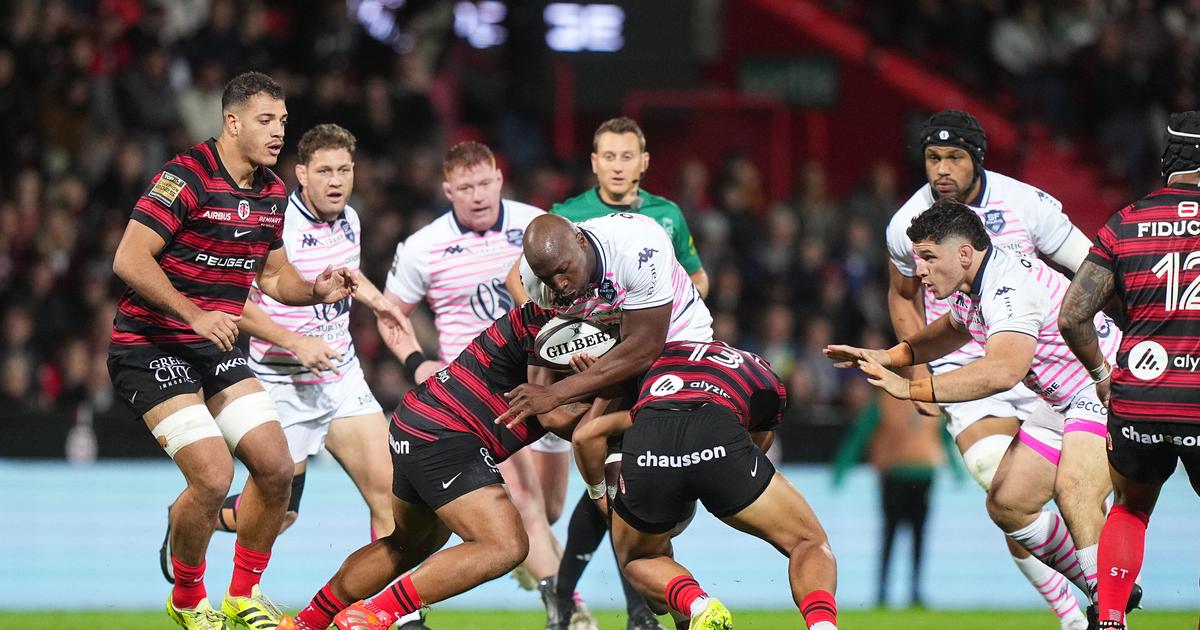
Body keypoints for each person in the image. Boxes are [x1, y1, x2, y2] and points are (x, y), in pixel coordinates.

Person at [107, 72, 355, 630]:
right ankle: (189, 599)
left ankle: (243, 594)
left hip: (211, 348)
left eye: (283, 121)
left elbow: (274, 276)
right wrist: (195, 314)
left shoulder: (270, 193)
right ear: (233, 122)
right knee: (215, 477)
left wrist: (314, 289)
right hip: (150, 347)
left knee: (275, 468)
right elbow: (129, 258)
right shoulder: (184, 177)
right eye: (266, 121)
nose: (277, 132)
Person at [834, 198, 1127, 617]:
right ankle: (1107, 586)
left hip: (1105, 386)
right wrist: (890, 356)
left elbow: (1003, 371)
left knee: (1074, 491)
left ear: (964, 253)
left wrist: (911, 389)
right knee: (1007, 503)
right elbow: (951, 330)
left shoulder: (1007, 289)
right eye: (918, 258)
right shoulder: (974, 283)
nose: (919, 271)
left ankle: (1108, 613)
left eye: (929, 258)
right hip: (1062, 399)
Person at [884, 110, 1095, 629]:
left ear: (977, 158)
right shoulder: (905, 225)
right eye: (933, 158)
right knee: (997, 481)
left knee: (1073, 492)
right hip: (966, 358)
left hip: (1045, 360)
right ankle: (1074, 610)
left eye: (954, 157)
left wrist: (1106, 342)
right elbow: (902, 296)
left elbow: (1089, 264)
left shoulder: (1025, 203)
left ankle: (1103, 582)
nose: (942, 170)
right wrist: (917, 376)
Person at [506, 116, 711, 630]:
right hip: (611, 355)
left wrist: (563, 387)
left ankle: (595, 594)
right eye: (608, 156)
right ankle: (632, 603)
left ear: (643, 163)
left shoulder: (655, 227)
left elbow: (654, 331)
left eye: (627, 156)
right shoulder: (558, 230)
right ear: (593, 163)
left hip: (669, 348)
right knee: (604, 462)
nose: (618, 166)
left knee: (618, 465)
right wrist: (562, 359)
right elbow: (540, 309)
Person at [276, 302, 597, 630]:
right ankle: (374, 614)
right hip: (445, 429)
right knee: (505, 545)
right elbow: (552, 414)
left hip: (419, 420)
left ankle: (305, 623)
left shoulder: (558, 307)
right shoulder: (564, 326)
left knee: (407, 544)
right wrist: (608, 410)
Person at [378, 141, 577, 627]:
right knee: (522, 500)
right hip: (472, 395)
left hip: (544, 375)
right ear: (448, 190)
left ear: (499, 180)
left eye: (484, 183)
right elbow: (389, 314)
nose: (477, 195)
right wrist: (416, 363)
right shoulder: (423, 245)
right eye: (465, 187)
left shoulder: (536, 228)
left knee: (547, 509)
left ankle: (534, 566)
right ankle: (567, 608)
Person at [207, 124, 405, 587]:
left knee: (392, 496)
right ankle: (196, 517)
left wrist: (378, 301)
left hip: (341, 380)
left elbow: (347, 274)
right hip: (280, 386)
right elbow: (236, 304)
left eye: (344, 170)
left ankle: (397, 613)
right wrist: (296, 342)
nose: (336, 181)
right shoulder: (274, 224)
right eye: (324, 171)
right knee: (279, 517)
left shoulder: (350, 219)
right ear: (301, 173)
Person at [570, 340, 838, 630]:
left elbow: (584, 437)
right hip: (719, 435)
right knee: (807, 542)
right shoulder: (763, 373)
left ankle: (699, 605)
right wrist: (720, 476)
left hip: (649, 440)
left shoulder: (646, 359)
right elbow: (758, 444)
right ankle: (822, 625)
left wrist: (600, 498)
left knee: (639, 558)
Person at [1058, 111, 1200, 630]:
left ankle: (1112, 617)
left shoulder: (1126, 222)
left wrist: (1100, 373)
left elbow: (1072, 316)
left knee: (1132, 507)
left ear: (1169, 162)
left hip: (1143, 398)